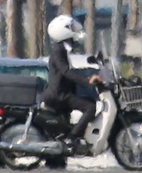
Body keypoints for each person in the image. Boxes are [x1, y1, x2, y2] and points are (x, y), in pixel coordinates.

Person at [41, 14, 103, 154]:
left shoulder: (62, 50)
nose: (75, 34)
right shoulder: (58, 52)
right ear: (63, 31)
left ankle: (66, 145)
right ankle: (72, 137)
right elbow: (66, 72)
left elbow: (71, 71)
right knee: (90, 106)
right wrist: (87, 81)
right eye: (72, 29)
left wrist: (91, 74)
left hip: (62, 93)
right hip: (59, 95)